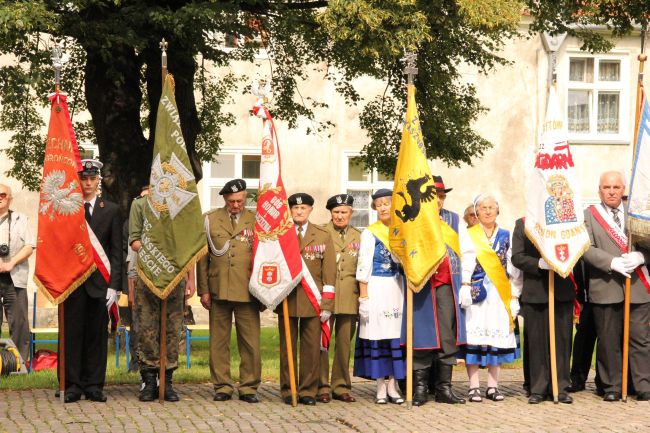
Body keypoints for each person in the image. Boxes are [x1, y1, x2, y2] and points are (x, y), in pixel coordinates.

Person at [582, 170, 650, 402]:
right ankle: (612, 385)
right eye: (606, 188)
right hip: (605, 284)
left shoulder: (638, 213)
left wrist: (642, 257)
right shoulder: (589, 215)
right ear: (599, 190)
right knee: (608, 339)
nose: (611, 192)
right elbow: (586, 248)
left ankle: (642, 384)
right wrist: (611, 262)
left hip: (638, 286)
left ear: (623, 190)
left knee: (639, 338)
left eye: (616, 188)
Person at [61, 160, 122, 403]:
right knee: (73, 334)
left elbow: (117, 250)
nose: (87, 183)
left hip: (101, 282)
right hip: (73, 282)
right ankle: (73, 384)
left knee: (97, 336)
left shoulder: (112, 209)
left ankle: (95, 384)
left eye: (91, 179)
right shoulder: (67, 209)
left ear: (99, 181)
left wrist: (114, 286)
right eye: (83, 179)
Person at [129, 179, 195, 402]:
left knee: (172, 329)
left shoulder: (180, 209)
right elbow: (134, 240)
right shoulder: (139, 205)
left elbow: (190, 244)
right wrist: (156, 252)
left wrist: (189, 277)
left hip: (174, 276)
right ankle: (148, 381)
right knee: (147, 328)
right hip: (148, 274)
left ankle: (167, 382)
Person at [197, 179, 261, 404]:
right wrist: (203, 290)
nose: (236, 205)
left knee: (251, 342)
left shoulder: (256, 220)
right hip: (219, 288)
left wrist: (263, 290)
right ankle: (222, 385)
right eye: (232, 201)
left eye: (240, 201)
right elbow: (203, 257)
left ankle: (249, 386)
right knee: (219, 341)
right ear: (224, 199)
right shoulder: (210, 219)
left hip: (248, 290)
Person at [405, 176, 466, 406]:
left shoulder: (453, 220)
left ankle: (444, 389)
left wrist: (466, 284)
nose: (438, 201)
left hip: (446, 286)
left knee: (447, 338)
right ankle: (420, 389)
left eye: (441, 197)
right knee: (422, 336)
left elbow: (465, 252)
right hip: (421, 286)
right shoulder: (415, 219)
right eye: (435, 196)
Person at [458, 194, 520, 402]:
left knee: (496, 340)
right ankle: (474, 386)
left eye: (491, 207)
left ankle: (493, 386)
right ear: (476, 212)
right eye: (483, 208)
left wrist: (514, 295)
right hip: (476, 293)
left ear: (497, 210)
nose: (487, 211)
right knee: (474, 340)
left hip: (499, 294)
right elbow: (466, 261)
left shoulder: (506, 234)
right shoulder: (469, 234)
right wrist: (465, 286)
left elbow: (513, 268)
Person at [276, 192, 336, 405]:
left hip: (314, 301)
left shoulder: (322, 235)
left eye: (303, 208)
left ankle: (308, 391)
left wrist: (327, 304)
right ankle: (288, 389)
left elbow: (329, 273)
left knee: (311, 349)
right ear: (290, 210)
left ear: (310, 210)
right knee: (287, 348)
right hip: (287, 299)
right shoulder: (280, 234)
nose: (299, 211)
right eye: (295, 208)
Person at [511, 217, 575, 404]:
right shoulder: (523, 223)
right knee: (537, 342)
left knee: (562, 342)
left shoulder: (567, 224)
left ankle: (561, 386)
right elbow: (517, 256)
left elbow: (578, 250)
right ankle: (538, 388)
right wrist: (538, 264)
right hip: (535, 291)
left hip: (562, 290)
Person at [353, 189, 406, 404]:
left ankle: (393, 385)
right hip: (376, 287)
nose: (383, 208)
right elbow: (363, 265)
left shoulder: (402, 231)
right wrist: (363, 298)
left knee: (394, 337)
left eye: (387, 203)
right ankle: (380, 387)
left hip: (397, 287)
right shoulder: (370, 233)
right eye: (379, 204)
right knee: (379, 336)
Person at [317, 194, 361, 403]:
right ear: (331, 213)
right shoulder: (320, 233)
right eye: (336, 212)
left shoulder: (359, 236)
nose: (340, 216)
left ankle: (341, 385)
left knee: (344, 344)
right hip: (327, 295)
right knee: (322, 343)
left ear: (351, 213)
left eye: (344, 212)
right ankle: (321, 385)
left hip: (350, 297)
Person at [0, 183, 34, 364]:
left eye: (3, 195)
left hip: (15, 277)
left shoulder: (21, 219)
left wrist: (10, 263)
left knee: (19, 323)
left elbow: (29, 246)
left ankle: (19, 363)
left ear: (10, 199)